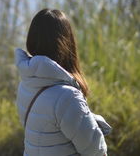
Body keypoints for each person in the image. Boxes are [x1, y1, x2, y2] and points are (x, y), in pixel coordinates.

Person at [15, 9, 111, 156]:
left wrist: (88, 118)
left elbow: (46, 126)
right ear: (67, 42)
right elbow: (95, 150)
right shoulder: (67, 96)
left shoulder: (27, 83)